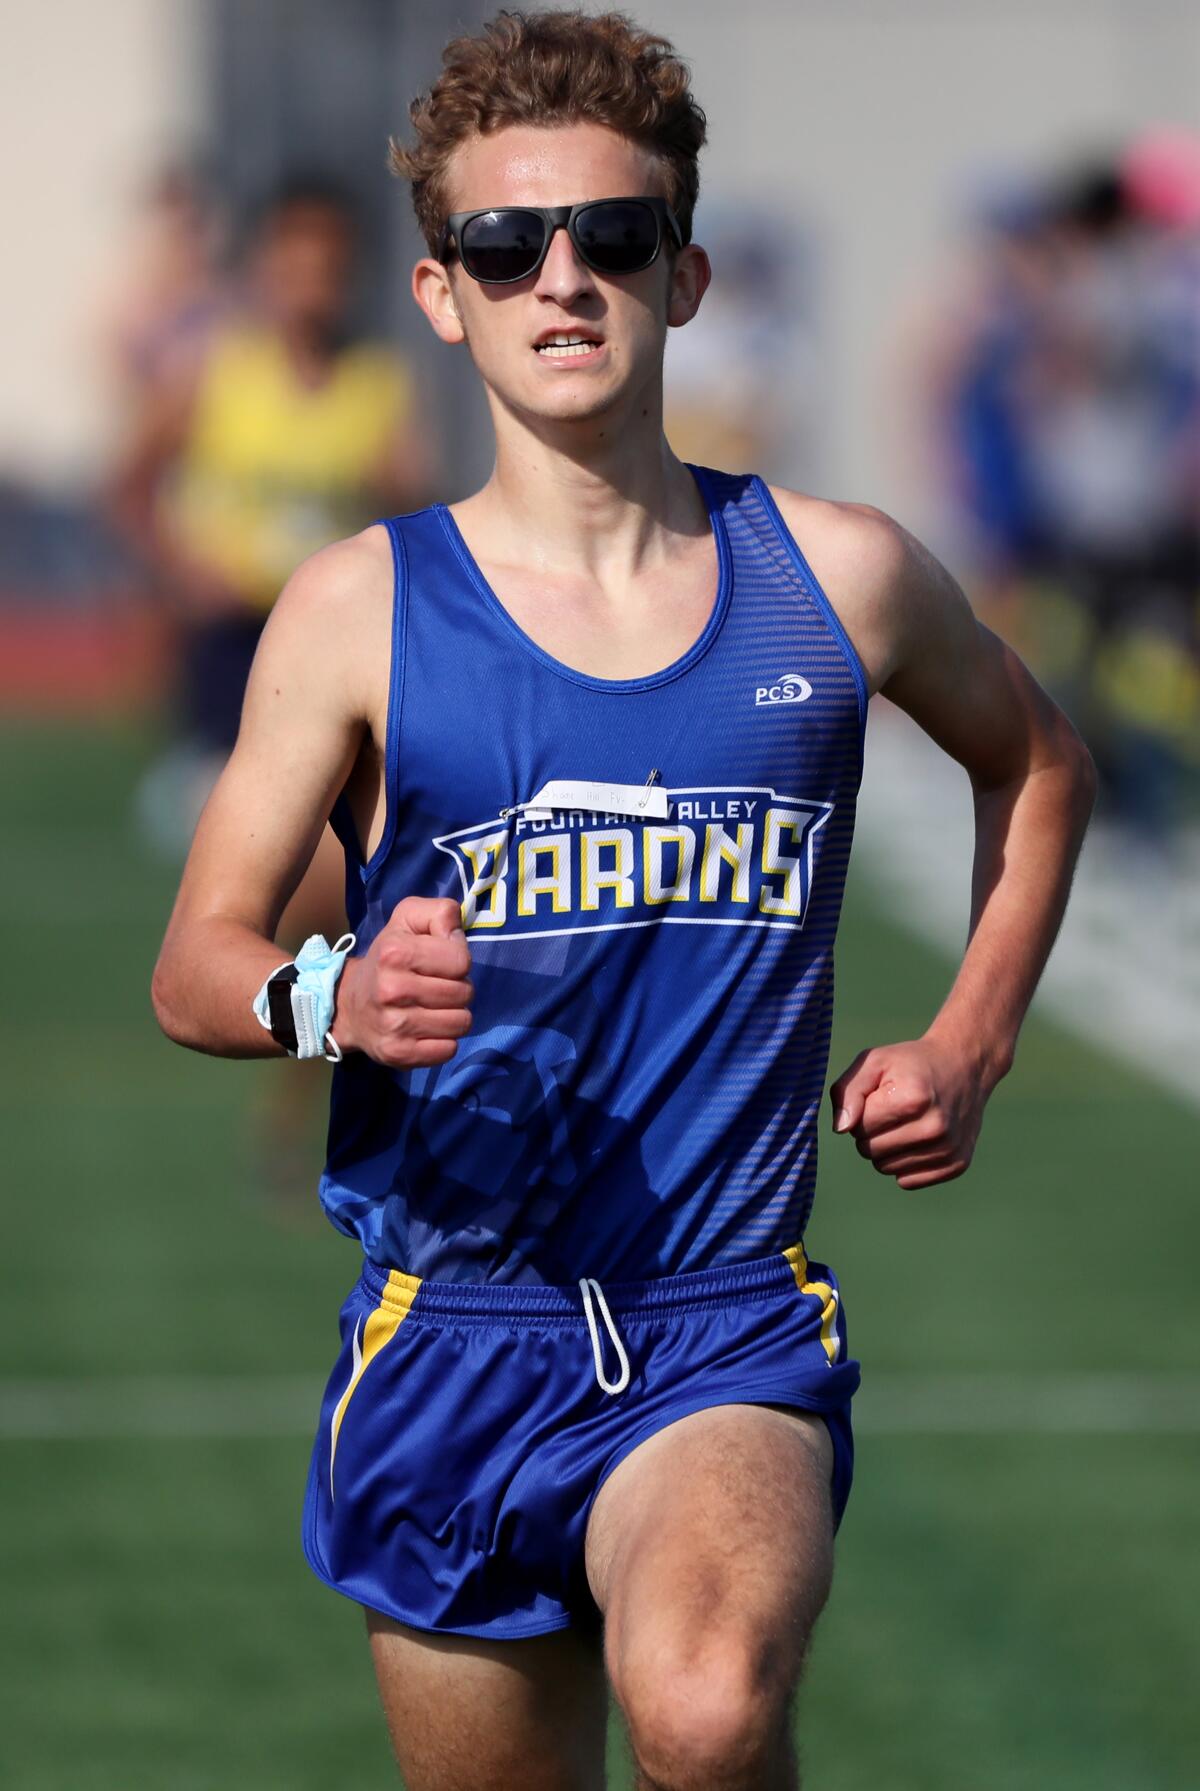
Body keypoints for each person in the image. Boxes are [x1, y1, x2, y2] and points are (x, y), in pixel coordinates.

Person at [150, 11, 1097, 1788]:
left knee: (710, 1702)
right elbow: (197, 961)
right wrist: (325, 998)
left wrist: (973, 1044)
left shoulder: (841, 576)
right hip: (450, 1329)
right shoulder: (360, 610)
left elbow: (1038, 763)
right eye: (507, 246)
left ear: (687, 273)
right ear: (443, 293)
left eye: (614, 237)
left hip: (719, 1311)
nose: (561, 280)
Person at [118, 171, 437, 1206]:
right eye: (294, 255)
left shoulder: (374, 386)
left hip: (324, 662)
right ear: (266, 265)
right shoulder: (219, 371)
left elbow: (420, 516)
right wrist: (178, 566)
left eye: (330, 259)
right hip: (227, 656)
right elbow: (130, 479)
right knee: (288, 890)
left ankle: (309, 1095)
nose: (312, 278)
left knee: (328, 885)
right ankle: (308, 1078)